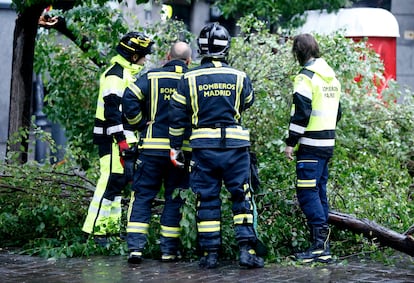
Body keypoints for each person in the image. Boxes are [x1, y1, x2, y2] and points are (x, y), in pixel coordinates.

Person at [169, 23, 264, 269]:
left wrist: (175, 147)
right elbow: (248, 102)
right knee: (242, 195)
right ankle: (247, 251)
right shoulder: (240, 76)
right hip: (235, 148)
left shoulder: (188, 78)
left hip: (204, 149)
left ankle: (210, 255)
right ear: (226, 48)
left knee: (207, 198)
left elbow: (177, 116)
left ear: (200, 48)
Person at [122, 41, 192, 264]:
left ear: (167, 57)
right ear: (189, 61)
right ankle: (168, 251)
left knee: (142, 196)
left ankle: (135, 248)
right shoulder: (194, 78)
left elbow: (129, 97)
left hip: (151, 149)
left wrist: (140, 124)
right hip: (181, 151)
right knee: (174, 199)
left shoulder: (152, 77)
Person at [82, 32, 154, 245]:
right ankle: (94, 231)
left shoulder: (126, 73)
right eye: (143, 55)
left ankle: (108, 231)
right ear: (133, 56)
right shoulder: (116, 75)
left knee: (117, 183)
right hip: (112, 138)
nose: (145, 59)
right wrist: (121, 139)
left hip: (120, 138)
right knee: (109, 182)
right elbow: (112, 111)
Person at [284, 33, 342, 263]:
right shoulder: (331, 78)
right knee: (319, 192)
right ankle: (322, 247)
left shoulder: (306, 78)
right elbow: (338, 113)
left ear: (298, 52)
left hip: (310, 145)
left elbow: (301, 113)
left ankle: (319, 247)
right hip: (327, 144)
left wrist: (290, 142)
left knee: (307, 193)